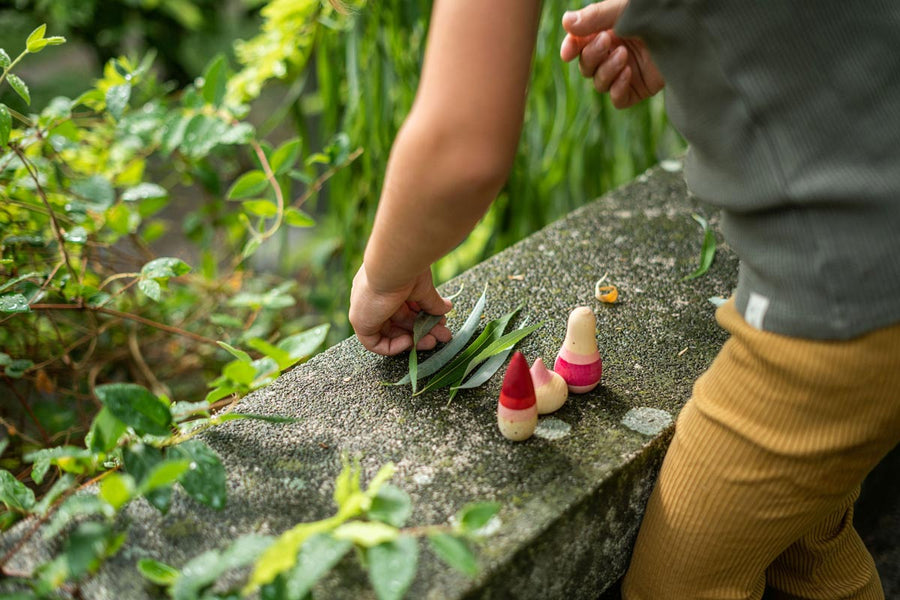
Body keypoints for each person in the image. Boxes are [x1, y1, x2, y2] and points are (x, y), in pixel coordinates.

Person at [349, 1, 900, 598]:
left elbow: (461, 146)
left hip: (845, 300)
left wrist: (384, 276)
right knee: (806, 542)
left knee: (679, 583)